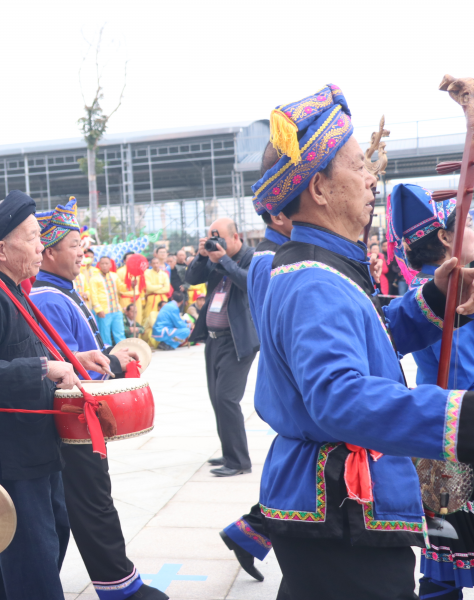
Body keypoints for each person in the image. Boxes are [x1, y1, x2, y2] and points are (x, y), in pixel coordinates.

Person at [252, 84, 474, 599]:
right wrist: (460, 418)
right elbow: (340, 397)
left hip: (336, 510)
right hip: (342, 511)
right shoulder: (313, 281)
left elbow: (375, 336)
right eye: (356, 165)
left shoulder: (324, 269)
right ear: (320, 190)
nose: (372, 177)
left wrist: (436, 298)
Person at [0, 190, 112, 600]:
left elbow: (23, 352)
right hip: (11, 451)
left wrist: (75, 357)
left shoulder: (12, 289)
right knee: (34, 560)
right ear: (2, 249)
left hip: (37, 444)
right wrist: (44, 368)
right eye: (33, 236)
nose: (42, 245)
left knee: (46, 540)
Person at [28, 198, 160, 600]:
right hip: (74, 424)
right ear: (49, 252)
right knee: (90, 507)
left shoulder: (61, 290)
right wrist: (115, 365)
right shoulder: (49, 297)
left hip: (82, 423)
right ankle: (122, 588)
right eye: (74, 246)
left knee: (68, 516)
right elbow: (65, 375)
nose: (83, 254)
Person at [387, 183, 474, 599]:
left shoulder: (421, 289)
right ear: (445, 236)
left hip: (435, 428)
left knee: (441, 564)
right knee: (446, 559)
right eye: (466, 224)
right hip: (463, 430)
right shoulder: (454, 291)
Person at [218, 141, 293, 582]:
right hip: (284, 378)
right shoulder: (267, 259)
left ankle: (247, 533)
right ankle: (250, 531)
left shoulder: (270, 254)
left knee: (294, 483)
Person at [186, 217, 257, 477]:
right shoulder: (214, 258)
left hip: (237, 340)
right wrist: (203, 255)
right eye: (212, 238)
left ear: (236, 236)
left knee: (227, 398)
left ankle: (239, 462)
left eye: (221, 238)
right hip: (214, 339)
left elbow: (249, 283)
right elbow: (191, 278)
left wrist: (224, 260)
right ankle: (230, 452)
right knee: (217, 399)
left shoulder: (253, 256)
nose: (217, 243)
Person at [91, 256, 126, 346]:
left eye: (107, 263)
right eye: (102, 263)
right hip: (104, 311)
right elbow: (93, 295)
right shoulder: (94, 278)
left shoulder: (114, 276)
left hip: (116, 310)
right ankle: (108, 355)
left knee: (120, 333)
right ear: (99, 265)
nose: (105, 266)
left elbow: (122, 288)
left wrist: (131, 285)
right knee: (105, 335)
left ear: (110, 265)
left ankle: (124, 353)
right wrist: (98, 310)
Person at [117, 253, 144, 326]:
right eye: (129, 258)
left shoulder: (139, 271)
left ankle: (137, 337)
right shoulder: (120, 271)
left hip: (137, 299)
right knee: (125, 321)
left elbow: (141, 287)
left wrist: (142, 299)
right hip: (125, 299)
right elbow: (118, 287)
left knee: (138, 320)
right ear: (124, 261)